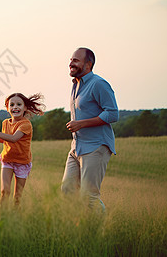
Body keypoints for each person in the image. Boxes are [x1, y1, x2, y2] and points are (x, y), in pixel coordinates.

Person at [61, 47, 119, 211]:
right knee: (67, 191)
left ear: (88, 64)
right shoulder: (75, 85)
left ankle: (100, 233)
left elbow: (113, 114)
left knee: (89, 197)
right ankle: (77, 228)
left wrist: (82, 123)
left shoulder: (98, 84)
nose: (71, 63)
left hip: (96, 147)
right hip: (76, 148)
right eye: (71, 60)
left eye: (76, 60)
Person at [0, 93, 45, 206]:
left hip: (22, 162)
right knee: (4, 191)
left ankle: (15, 216)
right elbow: (5, 140)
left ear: (25, 108)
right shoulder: (5, 123)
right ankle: (2, 216)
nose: (15, 107)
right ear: (7, 108)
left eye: (19, 104)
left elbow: (14, 139)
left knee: (17, 197)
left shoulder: (26, 124)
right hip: (7, 159)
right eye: (12, 105)